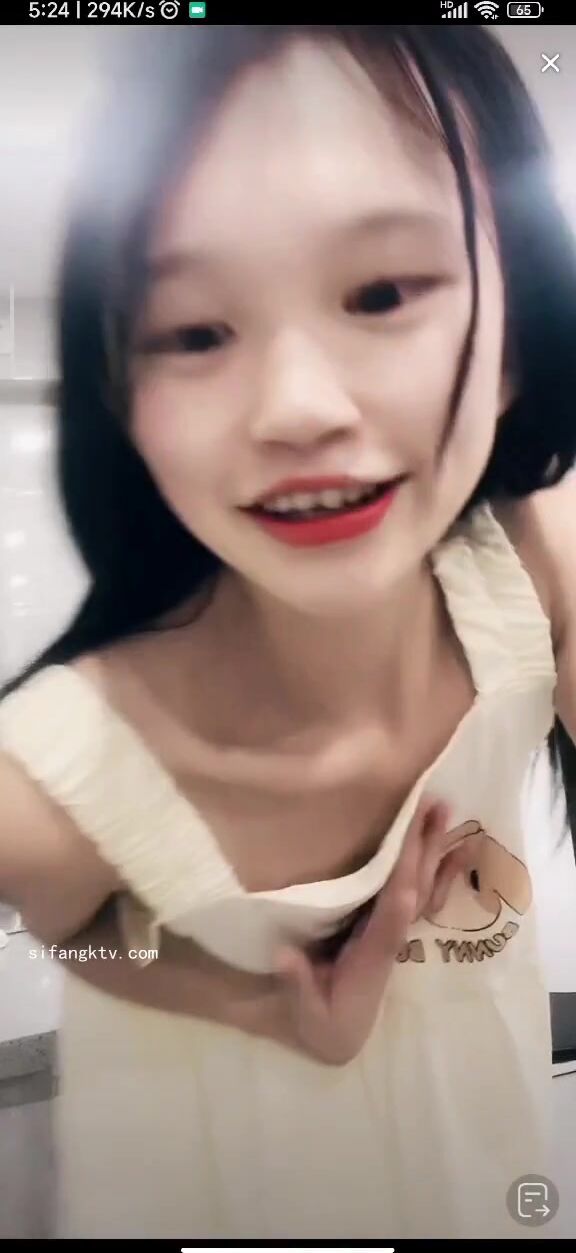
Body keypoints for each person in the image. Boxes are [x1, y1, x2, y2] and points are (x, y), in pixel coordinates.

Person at [1, 23, 576, 1240]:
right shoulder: (46, 781)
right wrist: (260, 1006)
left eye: (383, 293)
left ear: (520, 332)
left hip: (484, 1154)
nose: (297, 408)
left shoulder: (536, 565)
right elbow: (73, 932)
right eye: (193, 331)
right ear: (120, 396)